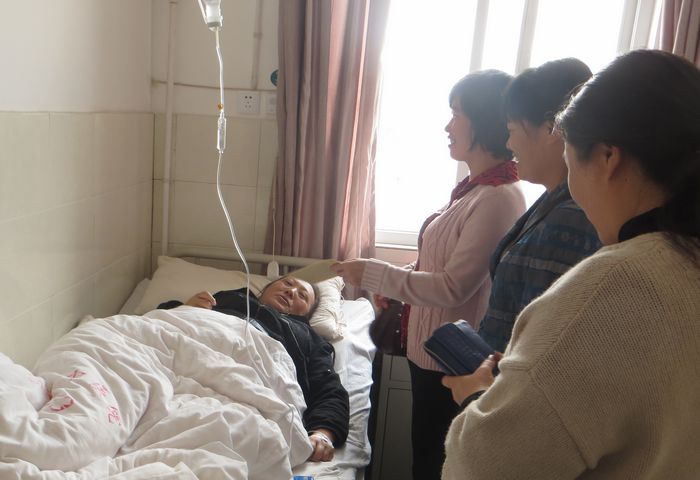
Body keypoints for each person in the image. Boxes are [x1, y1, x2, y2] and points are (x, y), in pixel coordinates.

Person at [441, 49, 700, 479]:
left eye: (570, 158)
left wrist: (477, 399)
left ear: (607, 158)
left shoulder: (615, 284)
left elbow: (485, 466)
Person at [332, 70, 526, 479]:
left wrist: (375, 274)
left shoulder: (498, 199)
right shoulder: (474, 190)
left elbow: (455, 287)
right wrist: (400, 284)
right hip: (430, 356)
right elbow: (438, 265)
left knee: (435, 467)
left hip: (452, 363)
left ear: (484, 120)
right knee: (424, 460)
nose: (448, 126)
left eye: (456, 114)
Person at [474, 58, 601, 353]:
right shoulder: (555, 199)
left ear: (551, 129)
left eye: (512, 130)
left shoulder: (573, 215)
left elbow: (541, 337)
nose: (509, 144)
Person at [158, 276, 349, 463]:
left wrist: (323, 434)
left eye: (302, 296)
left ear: (307, 313)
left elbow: (329, 390)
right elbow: (163, 324)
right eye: (287, 283)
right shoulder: (228, 298)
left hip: (248, 385)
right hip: (183, 352)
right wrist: (186, 307)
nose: (291, 292)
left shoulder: (308, 338)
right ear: (265, 289)